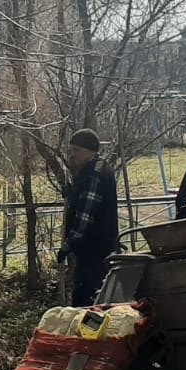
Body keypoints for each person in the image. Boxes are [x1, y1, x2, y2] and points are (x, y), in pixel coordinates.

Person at [58, 129, 119, 306]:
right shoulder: (96, 169)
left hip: (94, 249)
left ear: (90, 150)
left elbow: (85, 216)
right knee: (96, 295)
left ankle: (85, 330)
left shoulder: (94, 176)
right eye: (71, 149)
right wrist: (73, 193)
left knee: (86, 299)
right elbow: (85, 201)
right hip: (100, 248)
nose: (72, 154)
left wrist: (69, 243)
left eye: (76, 150)